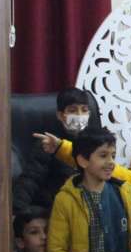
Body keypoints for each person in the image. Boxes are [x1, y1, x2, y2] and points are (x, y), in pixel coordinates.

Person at [48, 127, 131, 252]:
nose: (111, 162)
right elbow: (56, 249)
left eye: (113, 156)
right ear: (83, 161)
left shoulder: (124, 195)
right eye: (103, 155)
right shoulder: (65, 199)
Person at [17, 87, 101, 217]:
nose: (79, 115)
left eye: (84, 110)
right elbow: (31, 179)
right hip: (56, 209)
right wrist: (16, 213)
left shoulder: (97, 144)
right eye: (73, 110)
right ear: (61, 115)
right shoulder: (49, 143)